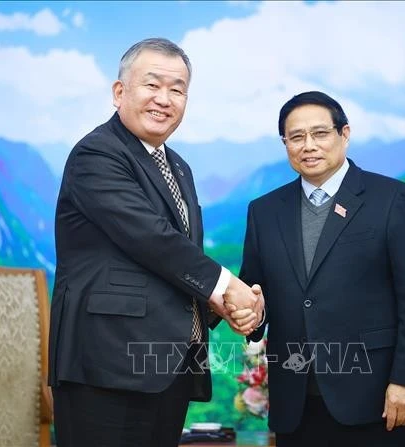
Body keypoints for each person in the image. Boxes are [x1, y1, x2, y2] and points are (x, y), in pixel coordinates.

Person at [48, 37, 263, 447]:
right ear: (119, 92)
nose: (164, 99)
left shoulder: (177, 166)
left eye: (177, 89)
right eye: (152, 84)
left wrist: (219, 303)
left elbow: (177, 261)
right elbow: (151, 239)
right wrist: (227, 287)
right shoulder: (96, 154)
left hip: (168, 366)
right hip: (105, 364)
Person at [239, 91, 405, 446]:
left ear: (344, 134)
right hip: (295, 400)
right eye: (296, 137)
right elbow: (255, 291)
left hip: (377, 399)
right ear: (285, 143)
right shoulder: (264, 211)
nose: (308, 146)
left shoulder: (394, 199)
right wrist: (248, 313)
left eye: (320, 133)